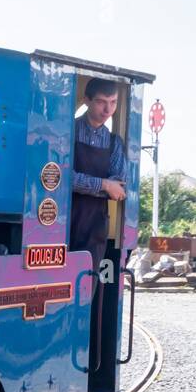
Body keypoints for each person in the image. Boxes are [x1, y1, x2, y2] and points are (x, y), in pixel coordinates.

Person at [70, 78, 127, 276]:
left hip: (96, 224)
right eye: (102, 102)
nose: (108, 110)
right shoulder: (67, 132)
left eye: (113, 102)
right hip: (63, 219)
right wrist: (103, 184)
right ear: (87, 100)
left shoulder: (114, 143)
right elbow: (61, 179)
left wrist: (83, 183)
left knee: (88, 282)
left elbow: (118, 189)